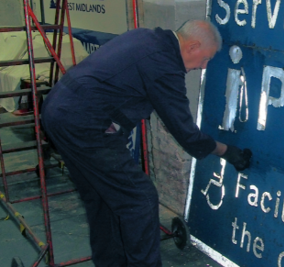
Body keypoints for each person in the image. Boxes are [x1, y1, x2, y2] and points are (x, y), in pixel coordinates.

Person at [41, 20, 251, 266]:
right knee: (140, 199)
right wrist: (229, 152)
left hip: (60, 111)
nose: (203, 67)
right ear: (193, 46)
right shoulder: (164, 64)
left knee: (103, 199)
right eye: (206, 59)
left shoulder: (146, 38)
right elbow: (186, 134)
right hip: (82, 122)